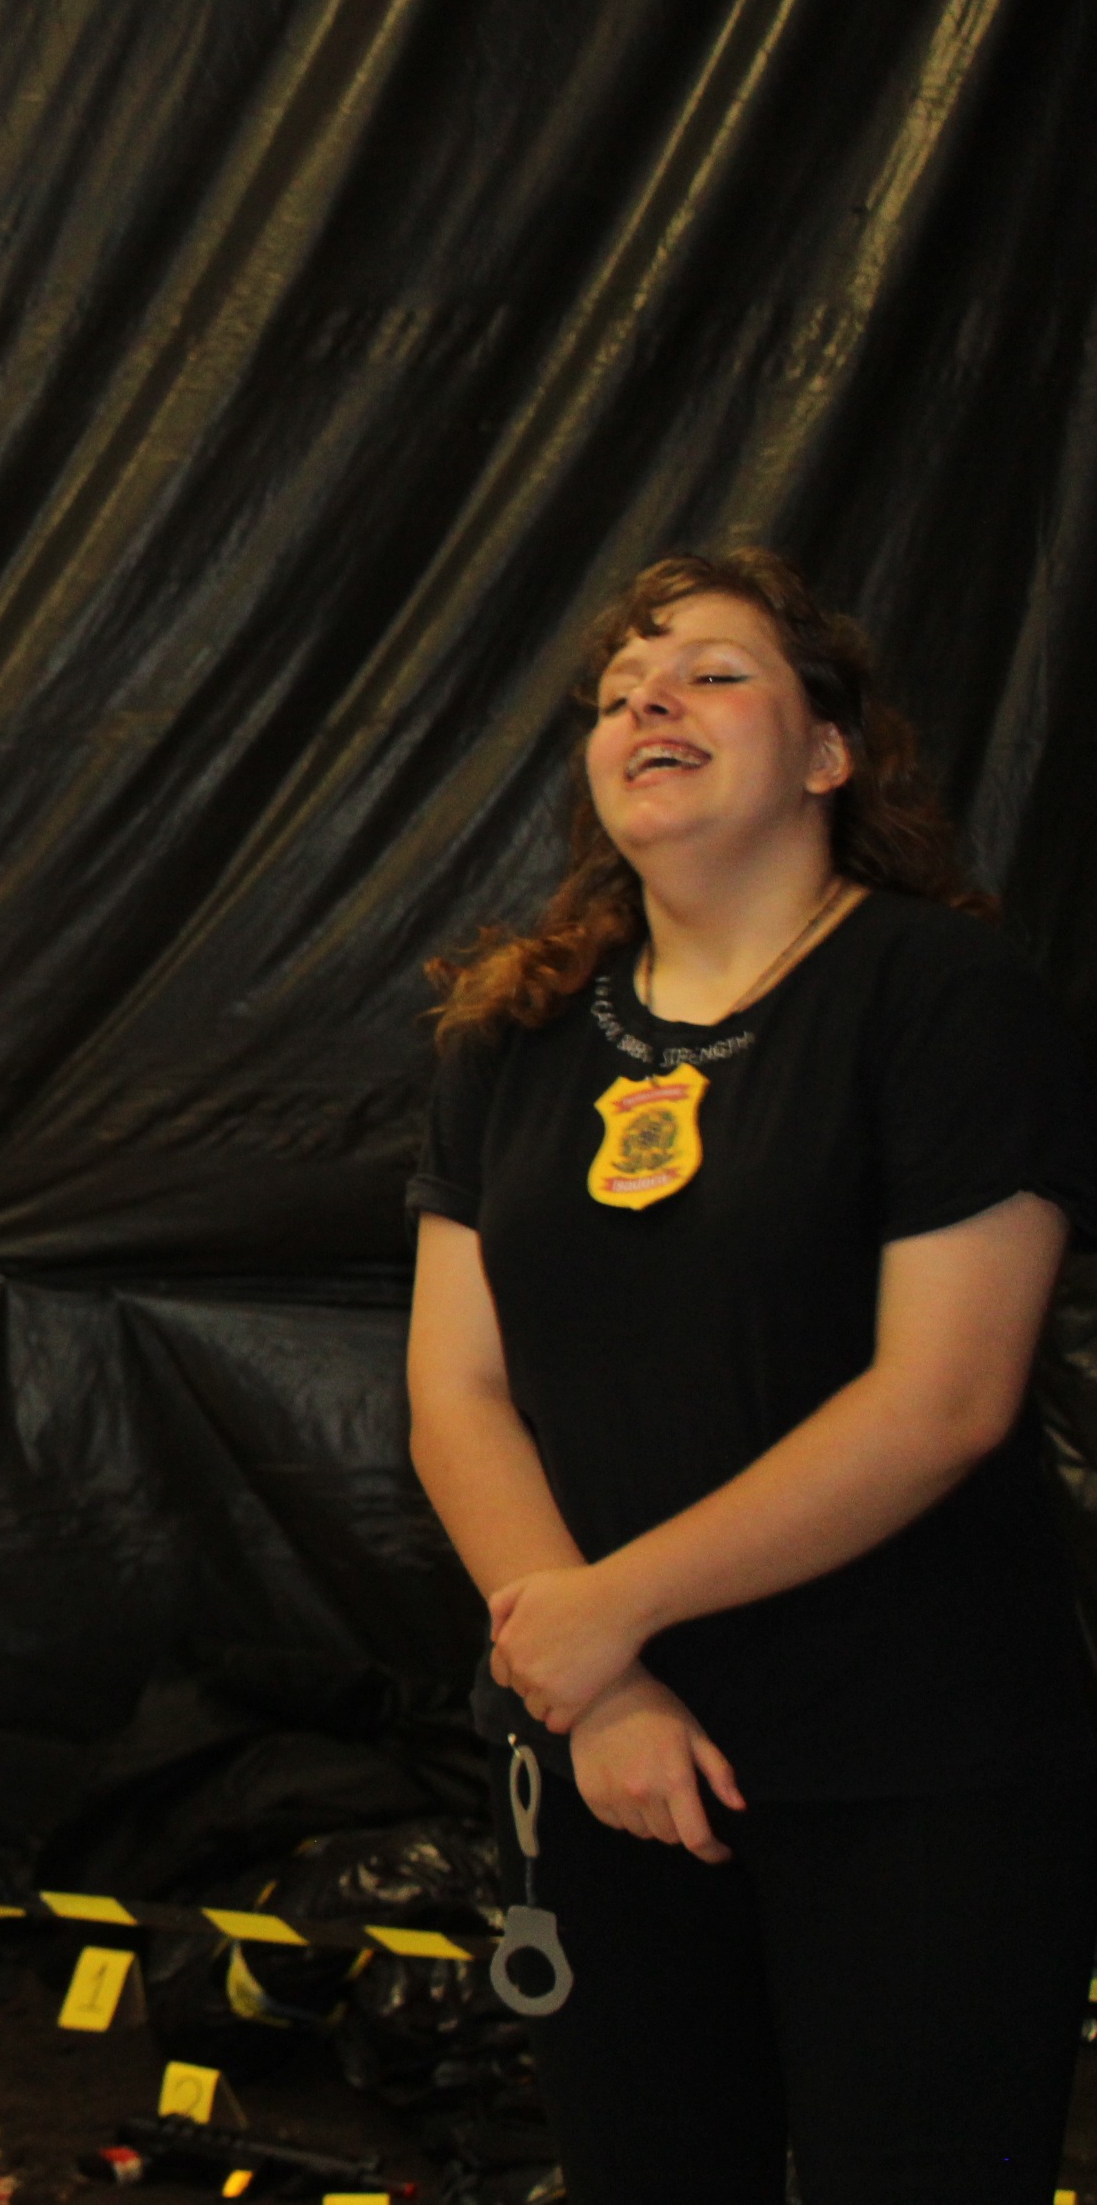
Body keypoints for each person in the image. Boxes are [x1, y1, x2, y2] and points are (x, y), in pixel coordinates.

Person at [405, 549, 1093, 2203]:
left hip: (911, 1768)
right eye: (617, 689)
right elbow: (454, 1394)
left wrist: (610, 1611)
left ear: (829, 752)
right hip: (598, 1753)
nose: (648, 699)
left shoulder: (943, 995)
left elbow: (944, 1399)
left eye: (711, 671)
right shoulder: (511, 1035)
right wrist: (595, 1682)